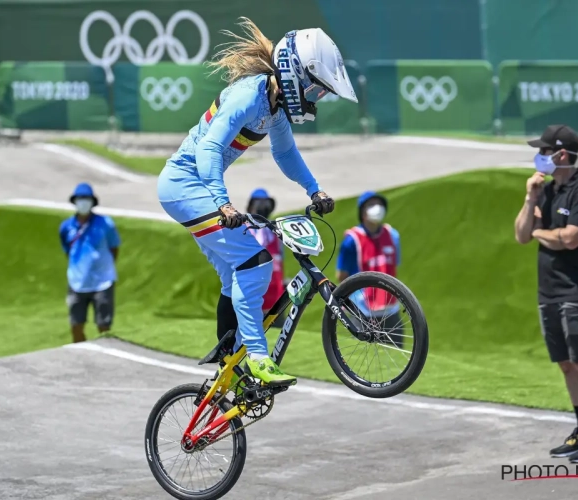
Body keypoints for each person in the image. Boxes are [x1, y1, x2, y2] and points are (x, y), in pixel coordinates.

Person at [155, 17, 356, 386]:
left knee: (235, 276)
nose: (315, 100)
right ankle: (259, 358)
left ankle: (226, 370)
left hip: (194, 188)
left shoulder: (273, 108)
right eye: (316, 91)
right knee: (256, 261)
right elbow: (209, 149)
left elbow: (286, 155)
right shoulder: (249, 96)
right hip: (184, 185)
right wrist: (223, 203)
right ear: (297, 76)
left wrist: (315, 190)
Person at [514, 124, 578, 462]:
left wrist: (543, 230)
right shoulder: (544, 190)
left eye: (544, 151)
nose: (539, 156)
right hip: (550, 291)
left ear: (560, 155)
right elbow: (521, 235)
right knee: (565, 364)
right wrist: (530, 198)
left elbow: (572, 238)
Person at [335, 191, 404, 348]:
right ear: (362, 212)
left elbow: (394, 266)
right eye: (371, 205)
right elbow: (342, 275)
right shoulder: (352, 240)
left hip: (391, 309)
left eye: (378, 204)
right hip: (363, 311)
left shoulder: (393, 236)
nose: (377, 209)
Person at [59, 183, 121, 343]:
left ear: (92, 201)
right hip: (77, 282)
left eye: (86, 198)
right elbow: (68, 250)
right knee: (76, 325)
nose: (83, 202)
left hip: (102, 282)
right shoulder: (66, 227)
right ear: (75, 201)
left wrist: (104, 267)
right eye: (80, 199)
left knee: (104, 325)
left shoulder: (106, 224)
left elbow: (114, 247)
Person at [246, 188, 287, 328]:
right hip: (254, 298)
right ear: (251, 206)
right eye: (259, 204)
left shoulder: (275, 233)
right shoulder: (245, 231)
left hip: (276, 298)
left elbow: (280, 261)